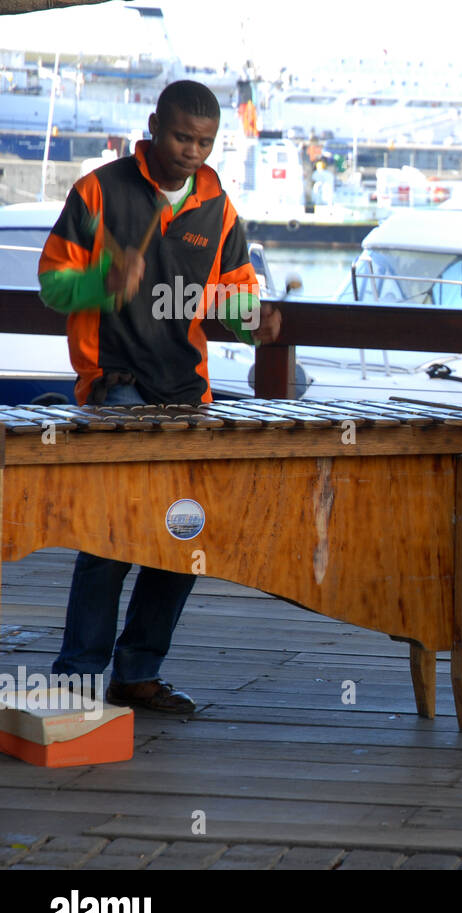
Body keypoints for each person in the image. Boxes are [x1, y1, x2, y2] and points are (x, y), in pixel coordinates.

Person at [38, 80, 281, 713]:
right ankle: (77, 678)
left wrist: (253, 319)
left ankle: (136, 673)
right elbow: (51, 287)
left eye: (204, 142)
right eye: (181, 137)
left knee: (183, 538)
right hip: (114, 388)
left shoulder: (218, 206)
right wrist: (100, 281)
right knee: (112, 537)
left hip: (187, 394)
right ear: (153, 125)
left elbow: (233, 300)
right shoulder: (99, 190)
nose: (192, 151)